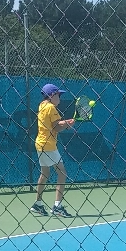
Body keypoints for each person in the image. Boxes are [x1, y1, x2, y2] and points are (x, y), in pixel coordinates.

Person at [31, 83, 75, 217]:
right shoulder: (50, 107)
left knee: (45, 174)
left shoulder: (42, 105)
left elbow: (53, 125)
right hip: (48, 145)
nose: (60, 98)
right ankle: (57, 206)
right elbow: (56, 127)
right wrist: (68, 123)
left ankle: (38, 204)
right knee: (62, 173)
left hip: (40, 143)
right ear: (51, 95)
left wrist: (65, 123)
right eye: (58, 95)